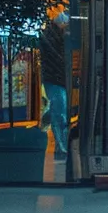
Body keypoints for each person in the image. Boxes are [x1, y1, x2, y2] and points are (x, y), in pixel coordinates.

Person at [40, 12, 70, 155]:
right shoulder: (53, 37)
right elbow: (58, 58)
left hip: (56, 79)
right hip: (56, 79)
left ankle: (61, 144)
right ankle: (62, 146)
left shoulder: (52, 36)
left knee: (59, 111)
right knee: (60, 113)